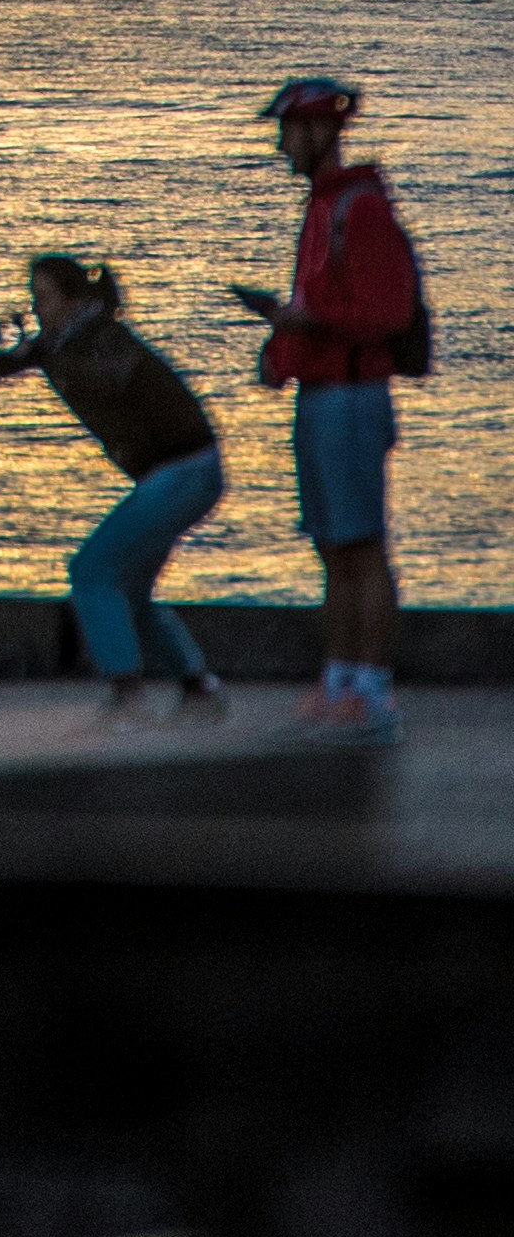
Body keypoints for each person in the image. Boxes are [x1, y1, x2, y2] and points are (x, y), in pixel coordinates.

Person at [234, 67, 425, 738]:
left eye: (288, 132)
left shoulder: (358, 208)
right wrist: (281, 349)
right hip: (322, 395)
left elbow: (384, 311)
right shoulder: (324, 206)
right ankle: (341, 676)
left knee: (361, 545)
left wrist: (302, 322)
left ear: (319, 131)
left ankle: (373, 686)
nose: (282, 147)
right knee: (332, 546)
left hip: (350, 396)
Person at [0, 254, 225, 711]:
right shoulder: (60, 342)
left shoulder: (103, 336)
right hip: (173, 476)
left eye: (44, 298)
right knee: (130, 589)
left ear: (74, 298)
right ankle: (197, 687)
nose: (37, 308)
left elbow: (108, 378)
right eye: (34, 298)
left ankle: (127, 694)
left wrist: (45, 353)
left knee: (92, 571)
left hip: (186, 471)